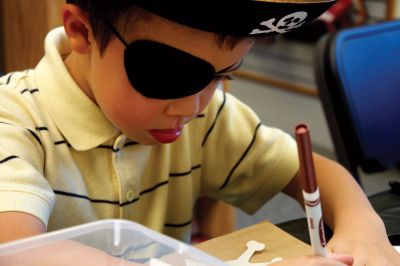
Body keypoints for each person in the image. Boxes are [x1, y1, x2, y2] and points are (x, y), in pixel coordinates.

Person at [0, 0, 398, 265]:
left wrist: (364, 226)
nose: (191, 107)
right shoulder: (12, 119)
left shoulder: (204, 120)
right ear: (81, 31)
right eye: (169, 76)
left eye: (222, 76)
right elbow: (17, 249)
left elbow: (309, 170)